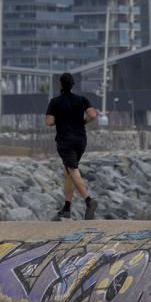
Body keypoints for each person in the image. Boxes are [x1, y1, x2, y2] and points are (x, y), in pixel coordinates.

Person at [45, 72, 99, 220]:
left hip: (65, 141)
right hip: (81, 140)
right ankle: (67, 208)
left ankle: (89, 201)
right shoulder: (82, 99)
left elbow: (49, 122)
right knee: (68, 172)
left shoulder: (55, 102)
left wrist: (61, 117)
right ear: (73, 84)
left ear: (60, 85)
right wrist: (83, 121)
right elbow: (93, 115)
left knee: (73, 170)